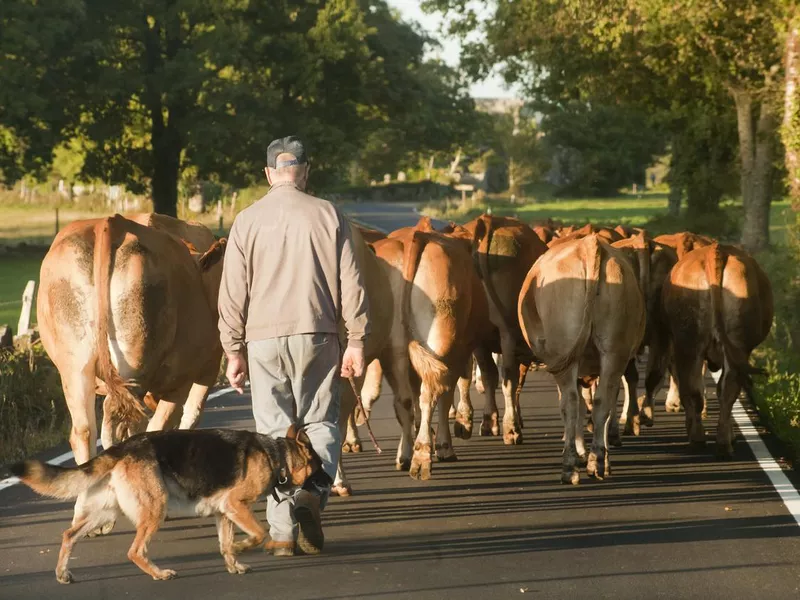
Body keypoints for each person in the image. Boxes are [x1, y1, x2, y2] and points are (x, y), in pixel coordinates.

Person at [217, 135, 369, 556]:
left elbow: (232, 292)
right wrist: (356, 339)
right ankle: (313, 492)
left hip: (262, 340)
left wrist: (232, 350)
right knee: (320, 422)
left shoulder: (246, 220)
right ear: (305, 170)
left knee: (272, 435)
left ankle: (282, 534)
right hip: (317, 334)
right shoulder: (329, 215)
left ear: (268, 174)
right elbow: (352, 284)